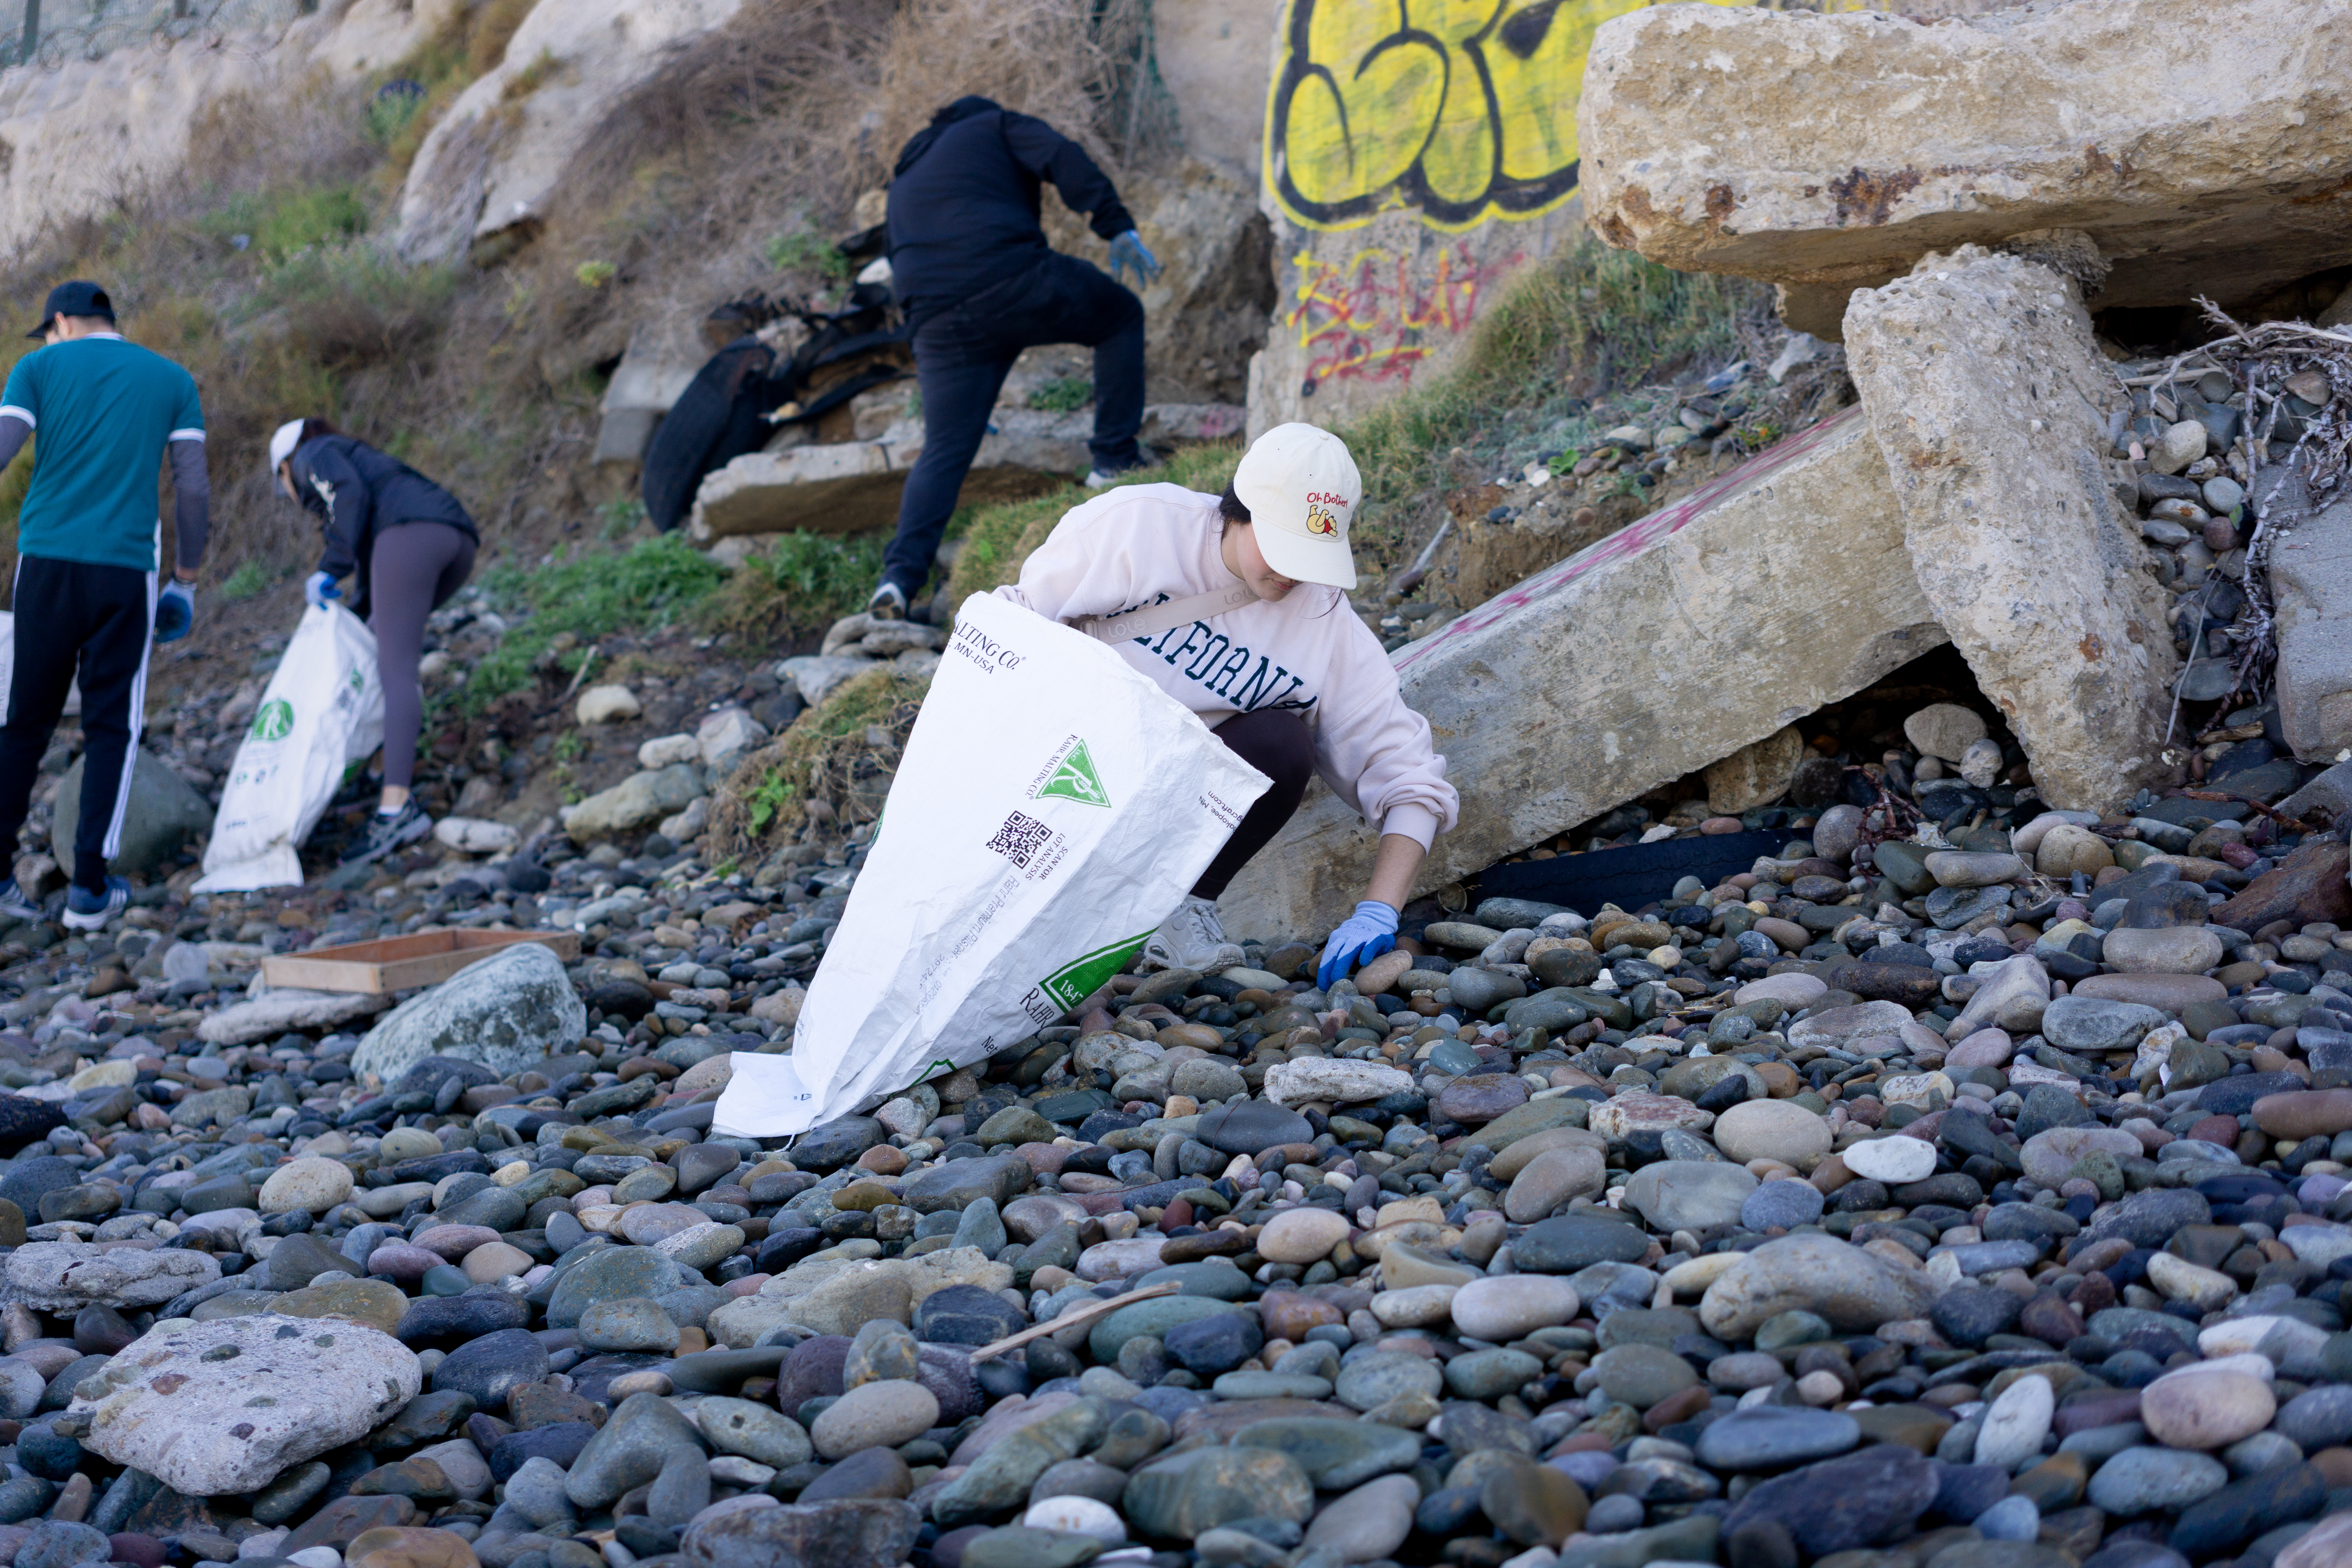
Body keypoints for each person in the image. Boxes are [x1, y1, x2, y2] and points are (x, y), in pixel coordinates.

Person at [996, 423, 1455, 985]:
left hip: (1166, 808)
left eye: (1312, 555)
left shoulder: (1326, 625)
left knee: (1282, 743)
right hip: (1060, 764)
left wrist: (1379, 909)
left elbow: (1410, 779)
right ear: (1241, 509)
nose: (1293, 573)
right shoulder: (1137, 525)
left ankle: (1184, 910)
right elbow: (1012, 630)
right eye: (1283, 548)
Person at [870, 94, 1165, 621]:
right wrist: (1114, 223)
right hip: (1012, 279)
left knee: (944, 448)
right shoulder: (995, 125)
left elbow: (898, 261)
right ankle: (1113, 459)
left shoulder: (905, 178)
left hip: (937, 321)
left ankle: (898, 578)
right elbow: (1061, 154)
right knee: (1120, 316)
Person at [0, 281, 206, 931]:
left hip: (45, 565)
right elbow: (193, 490)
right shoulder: (172, 379)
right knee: (112, 725)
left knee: (23, 722)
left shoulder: (37, 368)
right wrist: (185, 580)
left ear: (60, 322)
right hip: (125, 571)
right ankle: (89, 891)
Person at [269, 418, 478, 866]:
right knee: (379, 642)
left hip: (410, 535)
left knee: (395, 668)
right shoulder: (361, 459)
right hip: (455, 539)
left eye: (283, 484)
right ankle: (380, 769)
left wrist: (330, 566)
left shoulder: (312, 455)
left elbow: (348, 496)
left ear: (285, 466)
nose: (290, 492)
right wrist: (356, 609)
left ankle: (395, 809)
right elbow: (369, 557)